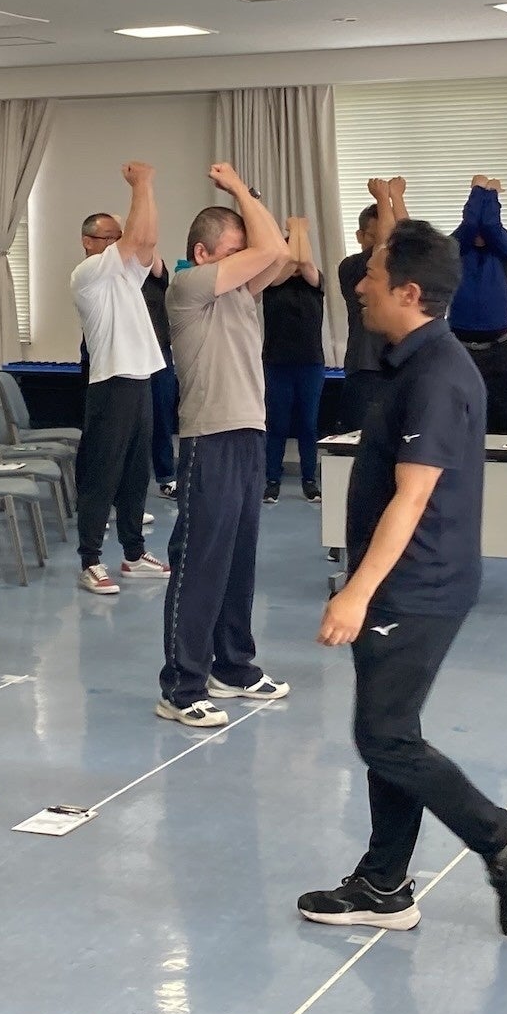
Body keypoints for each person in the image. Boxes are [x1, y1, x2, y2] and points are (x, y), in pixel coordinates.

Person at [300, 218, 507, 937]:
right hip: (412, 580)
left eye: (373, 276)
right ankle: (384, 883)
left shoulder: (437, 375)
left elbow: (411, 498)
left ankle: (500, 838)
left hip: (416, 583)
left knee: (383, 737)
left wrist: (355, 591)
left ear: (409, 292)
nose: (360, 286)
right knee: (391, 729)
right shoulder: (414, 361)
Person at [157, 163, 294, 729]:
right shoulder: (189, 287)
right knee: (201, 563)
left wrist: (246, 197)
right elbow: (272, 249)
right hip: (209, 438)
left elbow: (278, 252)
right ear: (203, 253)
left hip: (248, 433)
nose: (248, 260)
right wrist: (238, 189)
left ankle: (232, 667)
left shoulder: (242, 291)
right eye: (235, 251)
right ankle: (181, 685)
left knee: (239, 561)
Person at [69, 163, 174, 594]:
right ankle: (90, 560)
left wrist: (147, 188)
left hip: (140, 378)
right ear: (88, 242)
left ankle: (133, 553)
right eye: (108, 237)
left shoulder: (128, 273)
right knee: (103, 473)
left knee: (135, 472)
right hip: (110, 384)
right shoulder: (87, 274)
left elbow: (146, 240)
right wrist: (141, 185)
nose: (117, 243)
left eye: (118, 237)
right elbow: (135, 239)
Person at [450, 173, 507, 435]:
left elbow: (490, 224)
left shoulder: (506, 248)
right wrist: (479, 188)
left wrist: (490, 193)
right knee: (458, 426)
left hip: (500, 351)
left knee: (506, 427)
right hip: (460, 349)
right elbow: (472, 223)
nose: (481, 229)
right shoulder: (454, 249)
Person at [261, 216, 327, 505]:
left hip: (310, 364)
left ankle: (309, 482)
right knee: (276, 425)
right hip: (277, 363)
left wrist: (298, 230)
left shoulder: (315, 281)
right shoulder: (271, 282)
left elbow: (304, 264)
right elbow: (289, 264)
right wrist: (295, 232)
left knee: (308, 426)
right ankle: (272, 481)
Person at [334, 177, 404, 437]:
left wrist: (396, 199)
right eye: (372, 237)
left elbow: (406, 242)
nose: (380, 245)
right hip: (366, 369)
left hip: (396, 366)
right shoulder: (351, 266)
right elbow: (386, 243)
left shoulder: (399, 265)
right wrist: (384, 198)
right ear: (360, 236)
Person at [145, 259, 179, 497]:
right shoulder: (118, 274)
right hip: (130, 356)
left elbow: (154, 261)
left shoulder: (155, 276)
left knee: (162, 418)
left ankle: (166, 477)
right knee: (130, 425)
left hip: (159, 352)